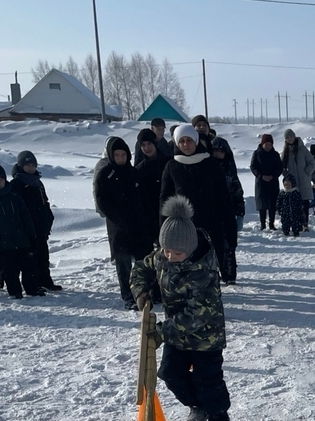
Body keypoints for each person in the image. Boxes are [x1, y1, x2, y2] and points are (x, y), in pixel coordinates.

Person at [130, 195, 231, 421]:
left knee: (208, 379)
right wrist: (141, 291)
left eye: (177, 252)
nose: (170, 256)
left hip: (206, 335)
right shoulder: (163, 256)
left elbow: (197, 314)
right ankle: (197, 406)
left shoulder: (203, 271)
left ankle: (218, 417)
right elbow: (141, 268)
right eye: (166, 250)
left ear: (191, 248)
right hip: (177, 333)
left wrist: (162, 332)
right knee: (170, 373)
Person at [159, 124, 236, 283]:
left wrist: (230, 228)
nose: (186, 145)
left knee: (208, 268)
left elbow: (224, 198)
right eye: (182, 141)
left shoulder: (210, 164)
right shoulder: (172, 166)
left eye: (189, 140)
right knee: (186, 268)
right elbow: (165, 199)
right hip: (184, 228)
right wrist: (163, 229)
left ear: (196, 141)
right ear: (177, 143)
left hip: (210, 226)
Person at [93, 136, 149, 308]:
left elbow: (144, 198)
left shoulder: (134, 173)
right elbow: (102, 201)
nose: (120, 159)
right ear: (111, 155)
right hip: (118, 227)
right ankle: (128, 296)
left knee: (143, 262)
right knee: (123, 264)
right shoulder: (105, 174)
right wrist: (118, 219)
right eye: (116, 155)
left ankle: (144, 293)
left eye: (123, 155)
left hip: (138, 225)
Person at [0, 163, 41, 298]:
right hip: (4, 241)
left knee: (28, 266)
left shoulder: (14, 196)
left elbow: (25, 215)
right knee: (10, 269)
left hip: (22, 237)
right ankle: (14, 292)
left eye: (1, 179)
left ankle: (32, 289)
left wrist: (31, 233)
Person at [10, 150, 60, 290]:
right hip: (26, 227)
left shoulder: (38, 182)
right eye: (27, 165)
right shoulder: (16, 184)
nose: (31, 168)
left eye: (33, 165)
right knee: (29, 258)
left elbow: (45, 202)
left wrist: (48, 218)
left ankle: (45, 282)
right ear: (21, 166)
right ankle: (32, 285)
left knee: (43, 256)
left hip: (41, 226)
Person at [210, 134, 244, 284]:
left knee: (229, 245)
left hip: (228, 212)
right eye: (215, 151)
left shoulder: (230, 169)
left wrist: (240, 213)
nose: (218, 154)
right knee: (212, 246)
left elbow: (237, 191)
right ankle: (212, 275)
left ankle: (229, 274)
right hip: (211, 213)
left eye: (221, 151)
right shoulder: (207, 168)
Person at [134, 128, 171, 254]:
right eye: (143, 145)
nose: (146, 147)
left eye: (149, 143)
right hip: (150, 217)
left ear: (155, 143)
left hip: (169, 213)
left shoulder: (168, 163)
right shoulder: (139, 169)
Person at [282, 129, 315, 229]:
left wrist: (306, 173)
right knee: (295, 204)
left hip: (304, 180)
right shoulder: (286, 151)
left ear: (294, 136)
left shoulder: (302, 149)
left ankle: (305, 224)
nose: (289, 139)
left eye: (290, 136)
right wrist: (286, 176)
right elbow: (282, 165)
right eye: (287, 138)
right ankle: (297, 223)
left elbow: (312, 162)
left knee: (305, 203)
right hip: (293, 182)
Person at [251, 134, 282, 230]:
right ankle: (262, 224)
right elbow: (253, 167)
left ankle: (271, 224)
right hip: (261, 182)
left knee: (272, 204)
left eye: (270, 144)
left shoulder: (275, 154)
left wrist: (273, 176)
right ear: (262, 144)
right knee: (262, 204)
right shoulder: (257, 153)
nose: (268, 146)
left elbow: (279, 168)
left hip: (272, 182)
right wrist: (261, 176)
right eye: (266, 144)